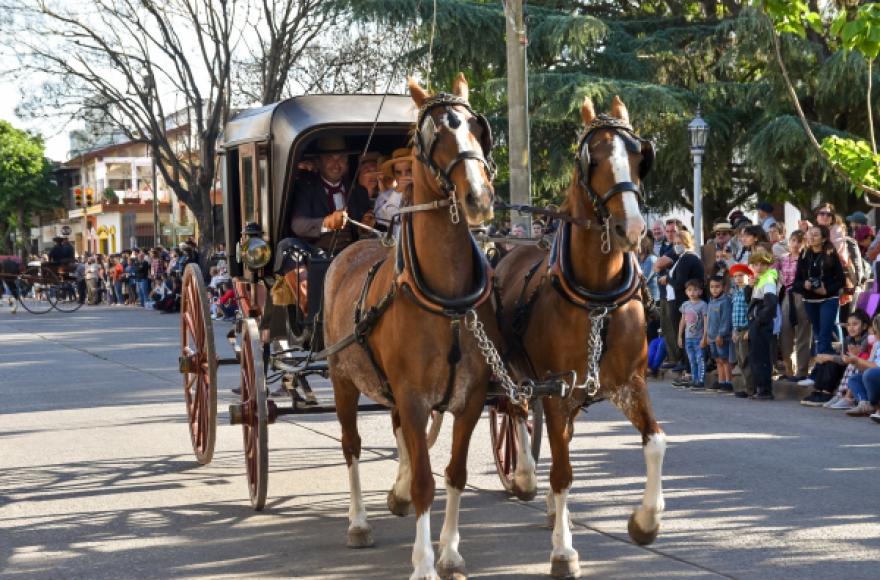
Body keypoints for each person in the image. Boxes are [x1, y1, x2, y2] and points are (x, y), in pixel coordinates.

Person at [289, 136, 376, 253]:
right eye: (330, 158)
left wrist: (365, 228)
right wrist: (327, 223)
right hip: (318, 257)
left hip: (354, 257)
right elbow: (298, 225)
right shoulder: (305, 189)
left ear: (347, 162)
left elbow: (364, 231)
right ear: (318, 162)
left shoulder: (359, 191)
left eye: (341, 158)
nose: (336, 164)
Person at [794, 224, 846, 404]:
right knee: (818, 337)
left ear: (824, 238)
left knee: (824, 336)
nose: (812, 237)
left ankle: (819, 377)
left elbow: (841, 280)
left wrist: (826, 290)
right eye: (810, 234)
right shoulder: (803, 255)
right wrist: (805, 286)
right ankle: (826, 371)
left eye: (816, 235)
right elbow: (796, 283)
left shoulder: (831, 255)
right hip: (809, 301)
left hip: (828, 300)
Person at [667, 229, 704, 380]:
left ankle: (691, 372)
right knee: (683, 336)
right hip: (682, 302)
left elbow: (679, 283)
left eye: (679, 243)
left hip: (686, 302)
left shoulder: (688, 258)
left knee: (687, 336)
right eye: (674, 243)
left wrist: (666, 279)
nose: (676, 246)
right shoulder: (681, 258)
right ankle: (688, 370)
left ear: (686, 242)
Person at [819, 310, 872, 410]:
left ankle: (848, 398)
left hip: (864, 367)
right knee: (831, 362)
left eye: (855, 324)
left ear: (864, 326)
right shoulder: (848, 339)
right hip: (850, 364)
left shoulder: (867, 338)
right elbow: (843, 358)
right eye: (848, 325)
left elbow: (857, 357)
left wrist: (830, 357)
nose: (851, 328)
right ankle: (838, 395)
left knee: (852, 363)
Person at [745, 248, 779, 400]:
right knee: (755, 357)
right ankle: (759, 388)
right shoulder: (758, 280)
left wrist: (758, 320)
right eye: (755, 264)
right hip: (755, 323)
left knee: (762, 358)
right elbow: (749, 301)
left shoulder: (768, 280)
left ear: (767, 265)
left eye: (762, 264)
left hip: (761, 325)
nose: (758, 267)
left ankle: (765, 390)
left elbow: (770, 305)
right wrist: (749, 287)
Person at [778, 231, 811, 381]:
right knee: (785, 332)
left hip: (803, 296)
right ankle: (789, 369)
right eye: (793, 240)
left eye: (799, 241)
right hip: (787, 296)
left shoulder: (807, 259)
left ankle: (802, 371)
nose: (796, 244)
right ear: (789, 242)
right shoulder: (782, 259)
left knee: (803, 334)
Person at [677, 279, 708, 390]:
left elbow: (706, 322)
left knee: (700, 359)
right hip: (688, 338)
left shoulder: (703, 305)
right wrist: (679, 336)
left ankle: (701, 380)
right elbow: (683, 321)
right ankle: (694, 379)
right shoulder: (685, 305)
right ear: (686, 292)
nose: (692, 292)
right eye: (689, 290)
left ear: (700, 291)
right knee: (691, 359)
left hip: (698, 338)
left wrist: (704, 337)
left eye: (695, 290)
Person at [374, 147, 413, 236]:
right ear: (394, 174)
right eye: (398, 172)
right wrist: (398, 192)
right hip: (397, 247)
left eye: (409, 171)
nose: (404, 176)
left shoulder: (426, 192)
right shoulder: (384, 196)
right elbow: (383, 220)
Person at [730, 263, 753, 398]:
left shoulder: (748, 292)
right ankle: (746, 386)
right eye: (735, 276)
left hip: (745, 329)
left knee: (746, 359)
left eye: (741, 275)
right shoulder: (736, 292)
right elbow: (734, 313)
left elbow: (751, 311)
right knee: (740, 359)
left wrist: (749, 330)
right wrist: (734, 330)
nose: (738, 279)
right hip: (737, 330)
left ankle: (750, 388)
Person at [706, 275, 733, 392]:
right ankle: (721, 381)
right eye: (712, 287)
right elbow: (709, 320)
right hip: (711, 336)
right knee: (717, 359)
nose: (714, 289)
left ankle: (728, 382)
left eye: (717, 287)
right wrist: (707, 335)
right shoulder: (711, 301)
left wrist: (721, 335)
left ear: (723, 287)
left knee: (724, 359)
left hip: (721, 337)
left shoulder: (725, 301)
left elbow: (725, 320)